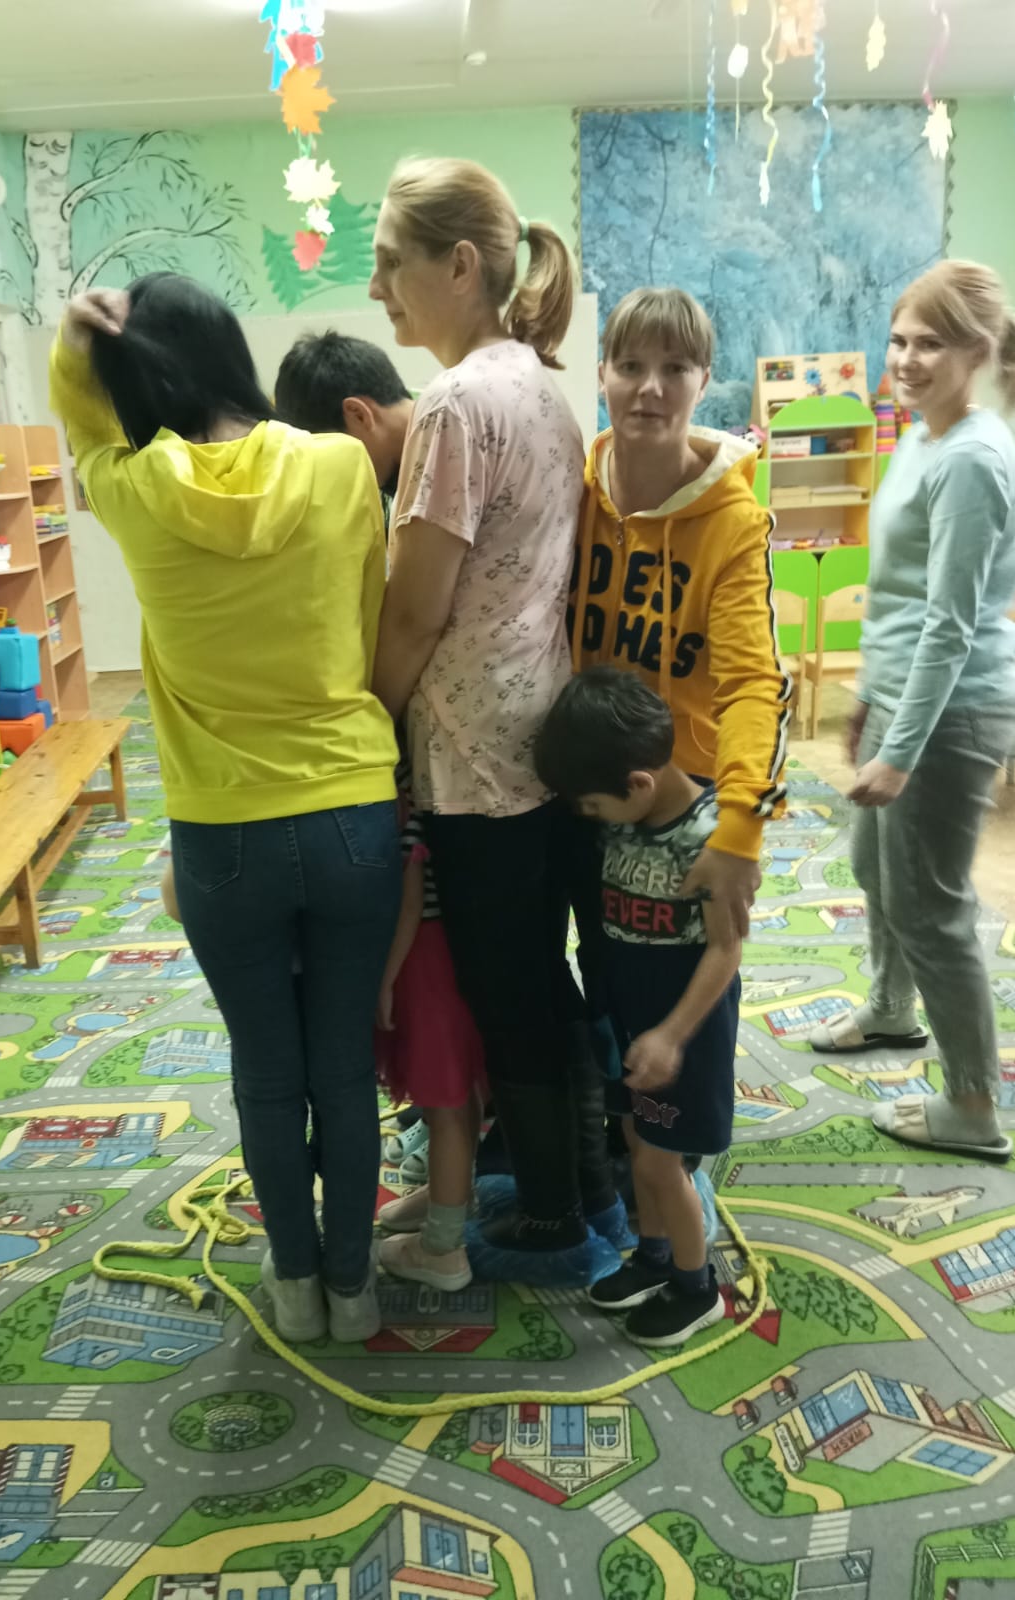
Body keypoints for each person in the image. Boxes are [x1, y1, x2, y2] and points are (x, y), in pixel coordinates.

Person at [49, 274, 401, 1344]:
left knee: (266, 1069)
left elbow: (82, 424)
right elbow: (369, 618)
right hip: (351, 808)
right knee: (344, 1065)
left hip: (220, 831)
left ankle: (293, 1286)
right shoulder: (341, 466)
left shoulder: (131, 488)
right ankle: (354, 1288)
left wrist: (74, 347)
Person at [369, 156, 623, 1271]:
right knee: (538, 975)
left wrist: (367, 719)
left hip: (476, 755)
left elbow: (417, 607)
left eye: (392, 262)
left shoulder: (456, 403)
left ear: (460, 265)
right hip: (537, 732)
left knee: (507, 986)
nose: (378, 287)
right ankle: (579, 1177)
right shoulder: (537, 386)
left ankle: (557, 1208)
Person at [807, 261, 1015, 1162]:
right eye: (898, 339)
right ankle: (892, 1008)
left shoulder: (973, 458)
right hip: (903, 698)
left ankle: (973, 1104)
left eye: (929, 343)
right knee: (876, 869)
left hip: (950, 714)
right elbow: (898, 596)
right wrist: (870, 696)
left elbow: (950, 624)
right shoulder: (921, 436)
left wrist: (901, 750)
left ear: (978, 351)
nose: (905, 359)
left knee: (932, 909)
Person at [159, 330, 414, 925]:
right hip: (359, 755)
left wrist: (368, 717)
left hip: (376, 748)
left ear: (358, 416)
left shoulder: (425, 463)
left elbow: (402, 620)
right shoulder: (393, 465)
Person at [570, 287, 790, 947]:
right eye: (630, 366)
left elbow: (754, 684)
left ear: (704, 381)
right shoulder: (572, 492)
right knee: (598, 976)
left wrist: (741, 830)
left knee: (685, 985)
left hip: (681, 797)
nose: (650, 388)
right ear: (602, 374)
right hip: (582, 783)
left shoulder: (734, 524)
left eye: (675, 368)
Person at [535, 668, 740, 1346]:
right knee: (634, 1139)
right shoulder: (629, 817)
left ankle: (696, 1286)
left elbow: (725, 950)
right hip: (629, 1020)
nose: (589, 818)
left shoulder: (710, 837)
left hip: (682, 1032)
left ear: (638, 784)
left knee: (658, 1164)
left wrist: (674, 1035)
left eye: (593, 806)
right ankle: (654, 1259)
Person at [374, 761, 487, 1290]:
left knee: (445, 1103)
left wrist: (386, 978)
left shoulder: (397, 780)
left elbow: (410, 893)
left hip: (422, 957)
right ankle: (453, 1196)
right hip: (454, 946)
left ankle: (443, 1249)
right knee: (460, 1093)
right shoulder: (425, 772)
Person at [274, 330, 413, 496]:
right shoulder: (421, 462)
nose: (337, 475)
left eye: (330, 458)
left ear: (358, 415)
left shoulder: (439, 461)